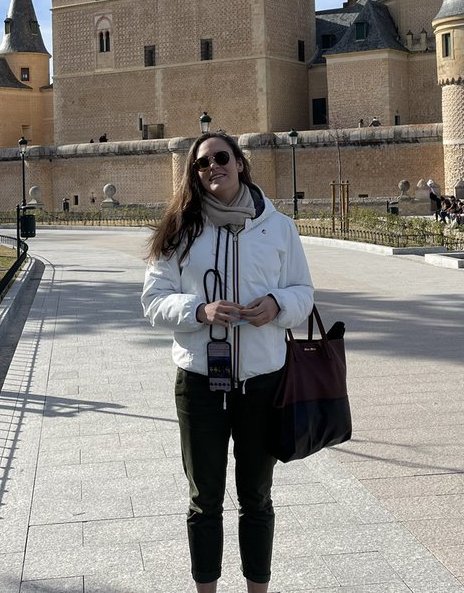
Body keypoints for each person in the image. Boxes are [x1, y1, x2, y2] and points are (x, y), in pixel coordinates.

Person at [143, 131, 315, 593]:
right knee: (205, 500)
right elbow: (153, 301)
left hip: (263, 382)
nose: (212, 167)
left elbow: (303, 292)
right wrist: (199, 310)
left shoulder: (278, 227)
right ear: (194, 174)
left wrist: (277, 304)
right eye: (202, 163)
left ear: (240, 162)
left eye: (221, 157)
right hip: (200, 384)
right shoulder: (180, 229)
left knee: (257, 498)